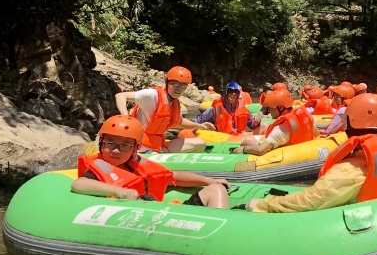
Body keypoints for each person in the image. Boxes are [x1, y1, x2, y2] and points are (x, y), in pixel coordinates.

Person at [249, 93, 377, 213]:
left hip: (360, 218)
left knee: (250, 205)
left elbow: (310, 200)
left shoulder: (350, 170)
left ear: (354, 120)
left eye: (346, 120)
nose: (345, 126)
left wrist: (263, 204)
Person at [73, 115, 230, 208]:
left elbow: (173, 177)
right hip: (141, 219)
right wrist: (119, 191)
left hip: (163, 214)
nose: (116, 150)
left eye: (124, 145)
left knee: (216, 189)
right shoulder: (98, 170)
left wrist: (209, 180)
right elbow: (78, 184)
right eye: (110, 143)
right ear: (101, 144)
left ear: (135, 148)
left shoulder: (137, 166)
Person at [114, 66, 207, 153]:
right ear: (167, 82)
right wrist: (125, 117)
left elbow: (179, 122)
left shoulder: (175, 102)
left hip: (159, 144)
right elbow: (121, 95)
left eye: (183, 85)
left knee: (200, 144)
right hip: (140, 145)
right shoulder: (152, 95)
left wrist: (200, 126)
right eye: (175, 84)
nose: (179, 88)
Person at [239, 89, 317, 155]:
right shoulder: (306, 116)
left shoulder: (280, 129)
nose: (269, 111)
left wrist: (244, 149)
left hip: (284, 156)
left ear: (280, 108)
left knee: (246, 141)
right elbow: (317, 134)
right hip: (305, 151)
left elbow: (260, 150)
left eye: (271, 108)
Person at [193, 82, 258, 136]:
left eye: (236, 92)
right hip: (223, 139)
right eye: (230, 91)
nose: (233, 94)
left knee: (263, 126)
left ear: (238, 94)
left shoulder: (242, 108)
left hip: (239, 137)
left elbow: (252, 124)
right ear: (226, 93)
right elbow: (196, 121)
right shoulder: (215, 109)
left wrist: (257, 121)